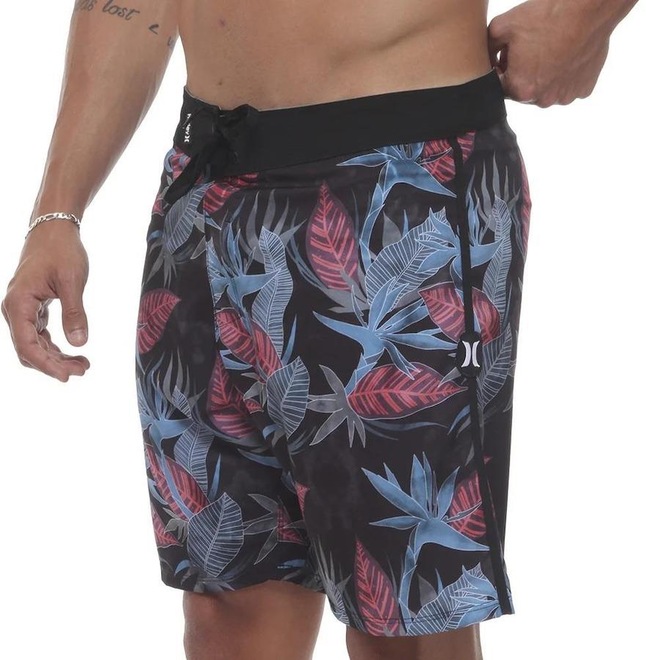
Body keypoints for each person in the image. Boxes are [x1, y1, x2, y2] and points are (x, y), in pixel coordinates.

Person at [1, 1, 638, 658]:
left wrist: (582, 13)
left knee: (408, 620)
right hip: (204, 192)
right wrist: (57, 213)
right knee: (229, 600)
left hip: (396, 183)